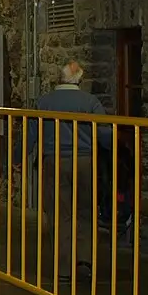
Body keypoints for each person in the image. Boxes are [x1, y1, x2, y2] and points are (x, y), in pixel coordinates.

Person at [25, 61, 112, 279]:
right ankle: (85, 260)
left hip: (54, 161)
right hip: (85, 161)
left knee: (59, 213)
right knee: (85, 210)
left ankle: (64, 266)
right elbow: (105, 134)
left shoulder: (45, 101)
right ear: (80, 80)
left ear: (60, 78)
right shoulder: (90, 101)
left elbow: (32, 132)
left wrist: (19, 156)